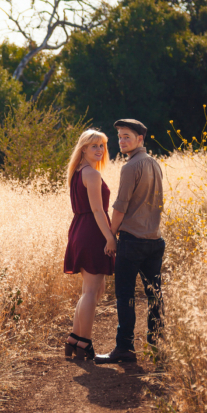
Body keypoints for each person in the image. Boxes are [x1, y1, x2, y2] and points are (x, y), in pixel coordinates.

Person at [95, 119, 165, 364]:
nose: (122, 141)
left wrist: (111, 236)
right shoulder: (154, 163)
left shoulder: (130, 167)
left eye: (127, 136)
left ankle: (124, 348)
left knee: (125, 296)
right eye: (120, 137)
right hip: (155, 240)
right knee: (155, 295)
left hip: (132, 241)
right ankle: (156, 345)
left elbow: (120, 207)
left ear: (140, 139)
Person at [63, 129, 116, 361]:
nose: (99, 150)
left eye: (102, 146)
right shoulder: (91, 175)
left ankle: (74, 339)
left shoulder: (77, 171)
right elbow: (97, 210)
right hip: (92, 232)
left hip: (79, 229)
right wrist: (110, 237)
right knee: (92, 291)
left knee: (91, 290)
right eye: (94, 145)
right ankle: (85, 342)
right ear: (83, 148)